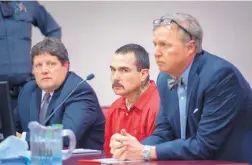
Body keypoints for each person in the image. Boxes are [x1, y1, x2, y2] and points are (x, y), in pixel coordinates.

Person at [109, 13, 252, 163]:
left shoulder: (220, 76)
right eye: (155, 44)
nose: (156, 53)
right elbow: (164, 134)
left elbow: (205, 145)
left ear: (190, 47)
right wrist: (130, 148)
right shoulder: (164, 78)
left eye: (165, 45)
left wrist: (145, 151)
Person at [14, 37, 105, 149]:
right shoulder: (28, 90)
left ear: (65, 66)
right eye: (38, 65)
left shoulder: (79, 91)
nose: (44, 70)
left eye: (51, 64)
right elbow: (11, 129)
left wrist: (23, 138)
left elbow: (66, 137)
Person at [0, 1, 61, 108]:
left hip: (25, 88)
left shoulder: (27, 3)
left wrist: (43, 59)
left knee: (28, 124)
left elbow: (53, 30)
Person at [104, 44, 160, 156]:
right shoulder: (115, 108)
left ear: (143, 74)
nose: (115, 77)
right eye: (113, 70)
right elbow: (109, 154)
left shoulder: (159, 105)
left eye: (124, 70)